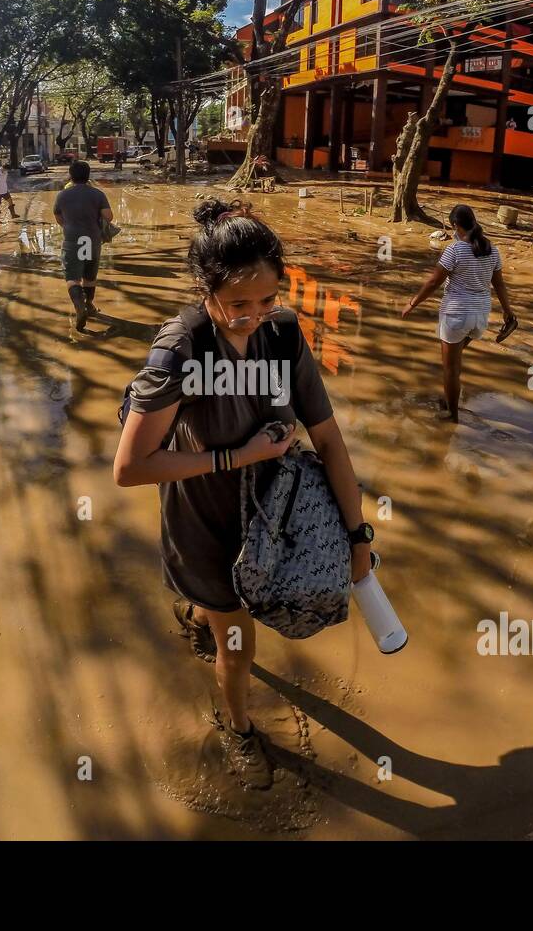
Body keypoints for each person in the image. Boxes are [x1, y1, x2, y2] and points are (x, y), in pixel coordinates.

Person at [113, 199, 374, 789]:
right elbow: (129, 467)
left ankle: (202, 615)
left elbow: (330, 441)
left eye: (267, 300)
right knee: (239, 641)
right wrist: (235, 456)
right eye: (237, 305)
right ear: (207, 293)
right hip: (203, 522)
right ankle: (237, 727)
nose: (252, 317)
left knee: (226, 620)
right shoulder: (180, 350)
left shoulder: (283, 336)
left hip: (270, 515)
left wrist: (358, 536)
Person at [400, 203, 517, 423]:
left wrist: (412, 303)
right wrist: (508, 312)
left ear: (456, 225)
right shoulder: (492, 249)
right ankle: (449, 399)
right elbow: (499, 285)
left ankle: (451, 414)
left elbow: (434, 282)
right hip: (480, 318)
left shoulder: (454, 250)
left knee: (451, 369)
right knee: (455, 359)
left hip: (457, 315)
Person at [53, 160, 113, 331]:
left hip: (72, 241)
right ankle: (89, 305)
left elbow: (58, 217)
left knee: (72, 278)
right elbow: (109, 216)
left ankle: (79, 307)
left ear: (71, 176)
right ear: (88, 176)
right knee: (89, 277)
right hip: (92, 240)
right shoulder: (97, 194)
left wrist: (69, 225)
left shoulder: (62, 195)